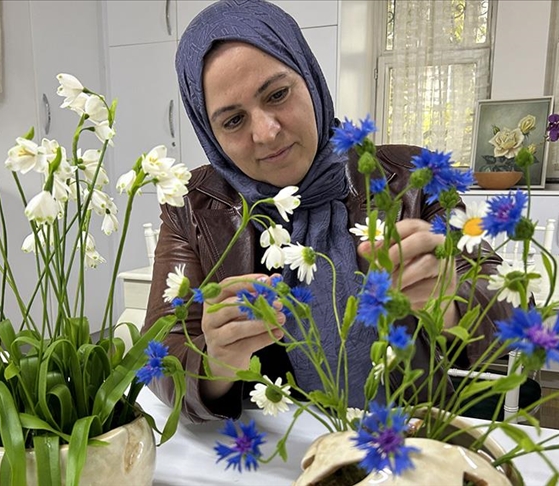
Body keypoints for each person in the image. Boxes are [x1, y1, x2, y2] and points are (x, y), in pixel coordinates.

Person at [142, 0, 513, 423]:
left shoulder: (410, 176)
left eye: (278, 94)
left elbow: (508, 300)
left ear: (310, 78)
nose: (265, 133)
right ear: (209, 133)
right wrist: (217, 365)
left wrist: (450, 299)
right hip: (273, 451)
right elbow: (158, 351)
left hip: (406, 439)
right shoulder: (193, 204)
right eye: (232, 121)